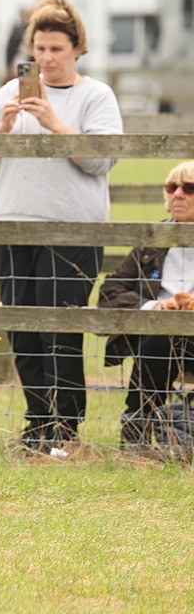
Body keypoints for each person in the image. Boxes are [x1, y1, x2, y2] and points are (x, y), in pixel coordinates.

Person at [0, 0, 124, 453]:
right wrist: (3, 128)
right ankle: (37, 423)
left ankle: (66, 427)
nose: (46, 58)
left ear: (78, 48)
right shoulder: (7, 94)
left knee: (59, 328)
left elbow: (102, 162)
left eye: (56, 49)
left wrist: (57, 125)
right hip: (15, 225)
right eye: (39, 49)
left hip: (72, 229)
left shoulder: (95, 96)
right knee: (22, 329)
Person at [98, 161, 194, 448]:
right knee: (157, 336)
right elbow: (110, 291)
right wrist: (153, 306)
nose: (178, 194)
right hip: (158, 341)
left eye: (188, 188)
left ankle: (181, 428)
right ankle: (138, 427)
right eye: (171, 187)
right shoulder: (151, 243)